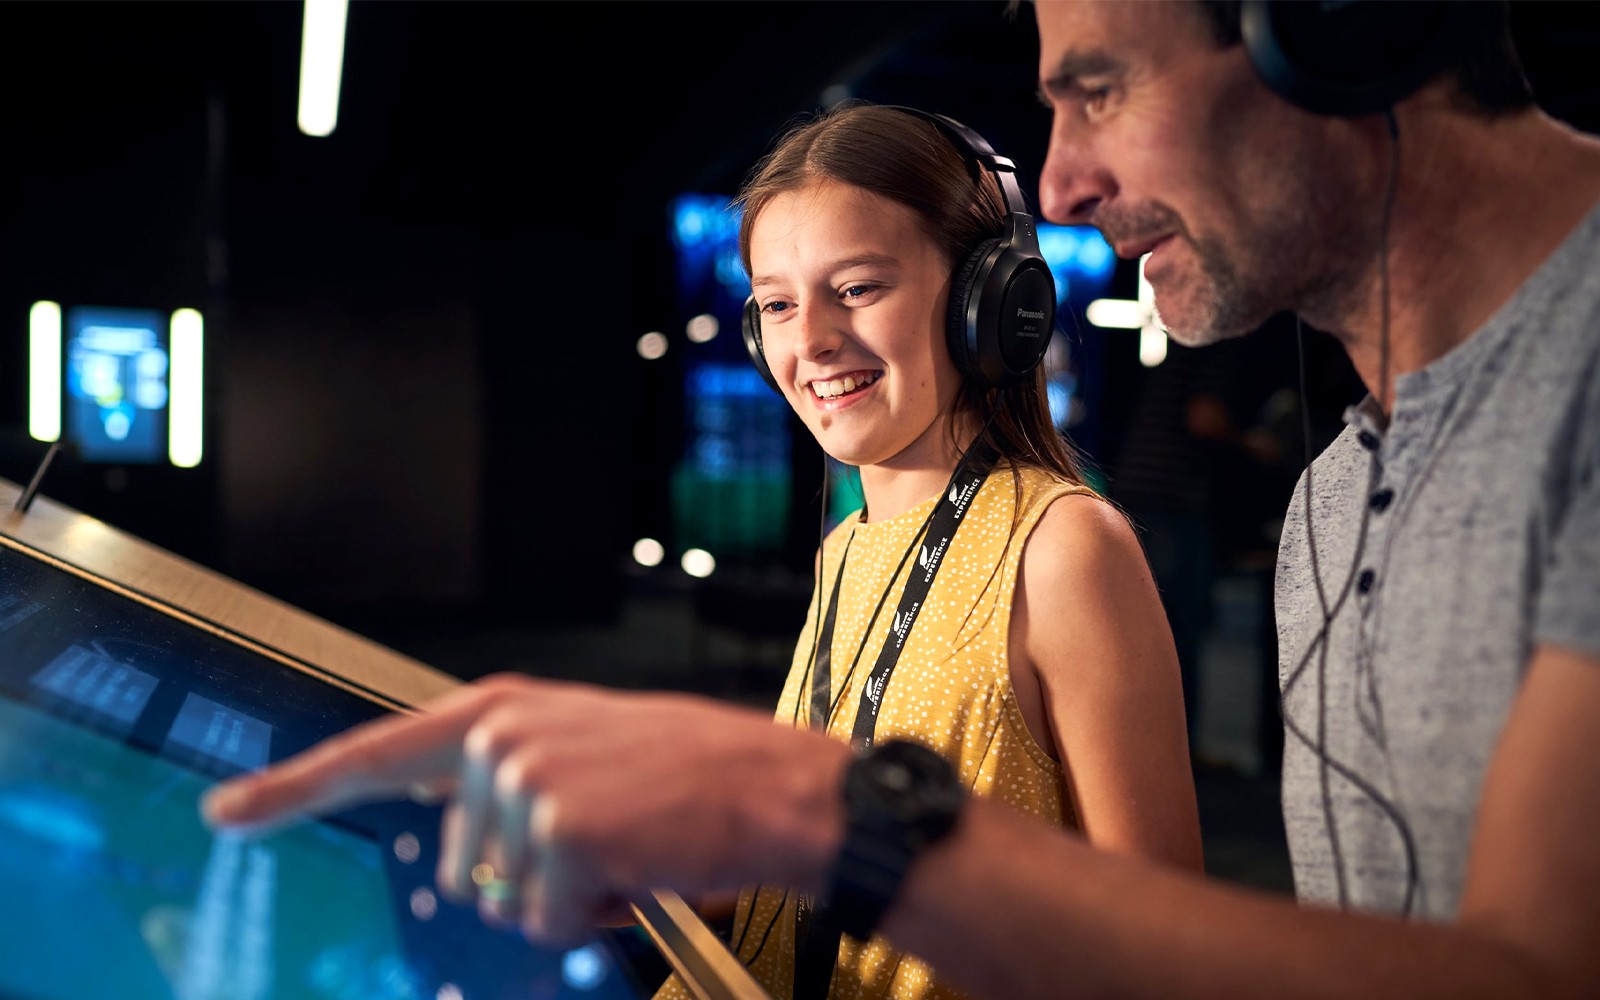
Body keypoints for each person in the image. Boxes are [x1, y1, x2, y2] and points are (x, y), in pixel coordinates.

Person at [204, 1, 1600, 997]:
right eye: (772, 305)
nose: (1061, 179)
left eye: (1100, 87)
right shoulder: (1335, 496)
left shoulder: (1068, 547)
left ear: (1339, 22)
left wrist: (815, 815)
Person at [654, 101, 1201, 1000]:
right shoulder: (847, 548)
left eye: (859, 287)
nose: (811, 340)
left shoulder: (1064, 548)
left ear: (992, 301)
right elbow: (829, 871)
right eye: (778, 305)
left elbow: (1163, 937)